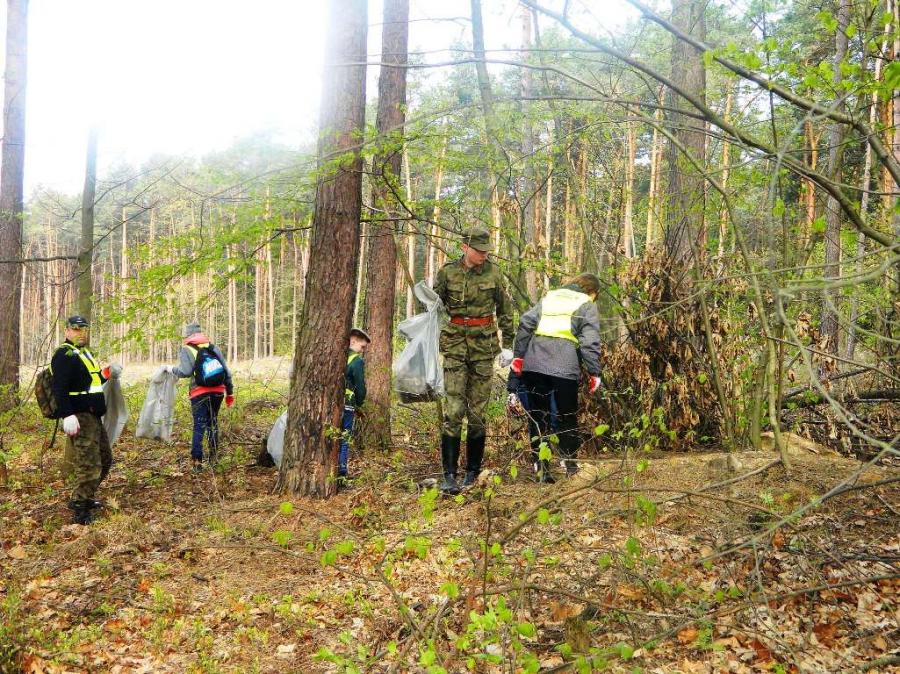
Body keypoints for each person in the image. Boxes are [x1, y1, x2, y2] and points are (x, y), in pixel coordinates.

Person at [433, 225, 515, 494]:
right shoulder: (447, 273)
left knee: (478, 413)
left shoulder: (494, 273)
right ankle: (449, 475)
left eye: (486, 251)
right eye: (479, 250)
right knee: (453, 411)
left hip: (483, 347)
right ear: (465, 247)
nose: (483, 255)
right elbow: (434, 308)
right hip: (455, 346)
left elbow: (505, 310)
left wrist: (508, 345)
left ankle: (472, 472)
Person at [510, 273, 603, 483]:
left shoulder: (550, 297)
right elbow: (589, 341)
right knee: (567, 416)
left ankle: (541, 467)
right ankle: (570, 465)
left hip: (534, 364)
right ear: (592, 292)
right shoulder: (586, 303)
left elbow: (525, 323)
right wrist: (594, 372)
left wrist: (519, 356)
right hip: (564, 366)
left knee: (538, 418)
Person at [51, 315, 122, 525]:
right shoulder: (63, 355)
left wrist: (106, 373)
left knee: (105, 459)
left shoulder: (85, 353)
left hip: (93, 416)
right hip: (80, 417)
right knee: (89, 464)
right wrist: (67, 415)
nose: (81, 333)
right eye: (76, 329)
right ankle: (80, 508)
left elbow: (93, 381)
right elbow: (59, 388)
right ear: (67, 331)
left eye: (84, 329)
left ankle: (86, 497)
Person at [166, 322, 234, 472]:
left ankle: (197, 462)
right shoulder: (213, 347)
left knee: (199, 425)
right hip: (218, 391)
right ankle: (213, 458)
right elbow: (226, 371)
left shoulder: (187, 349)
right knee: (212, 423)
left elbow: (185, 371)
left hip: (199, 393)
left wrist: (170, 369)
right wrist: (230, 392)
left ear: (188, 334)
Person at [338, 327, 371, 486]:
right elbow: (360, 388)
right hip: (348, 405)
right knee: (344, 439)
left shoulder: (339, 355)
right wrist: (359, 403)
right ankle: (341, 476)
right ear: (353, 341)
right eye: (362, 347)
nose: (363, 351)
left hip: (333, 404)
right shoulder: (357, 361)